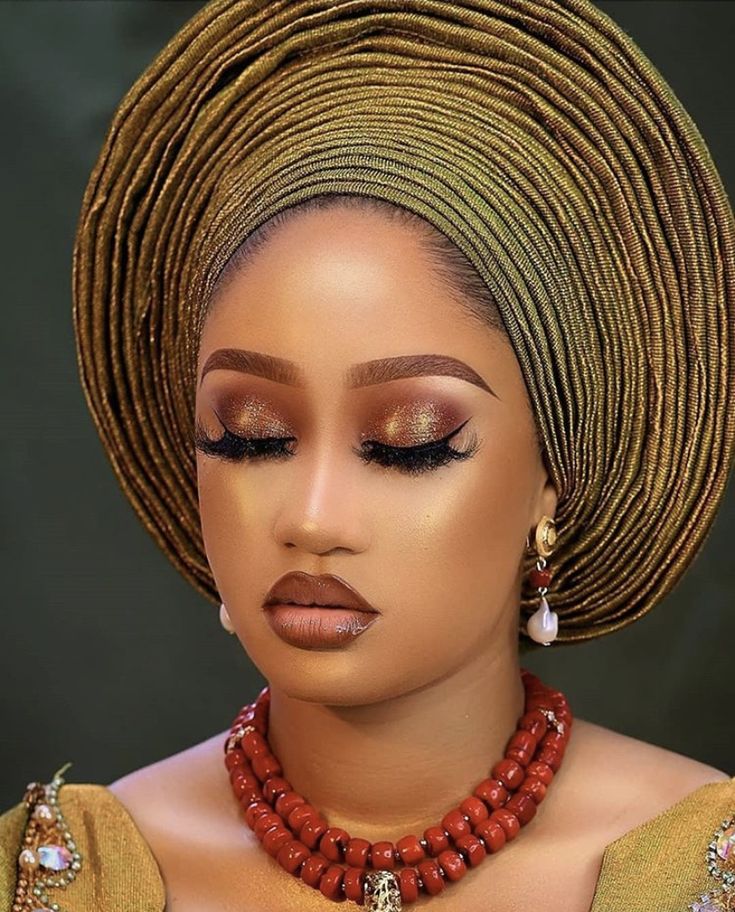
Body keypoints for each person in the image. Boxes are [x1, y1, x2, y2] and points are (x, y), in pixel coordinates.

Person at [2, 1, 735, 910]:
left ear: (551, 474)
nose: (310, 516)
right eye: (250, 436)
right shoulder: (61, 878)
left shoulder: (701, 870)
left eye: (409, 445)